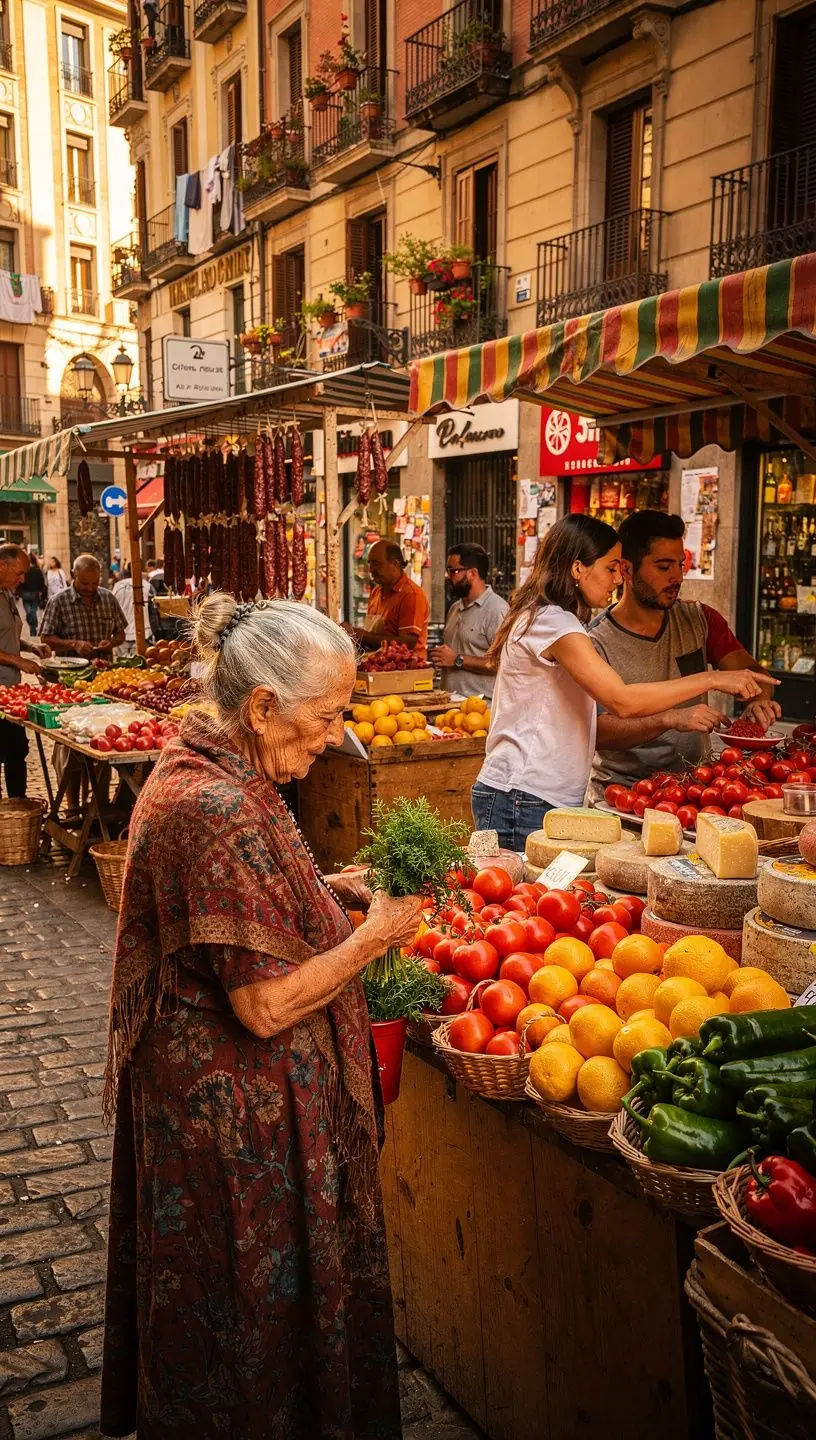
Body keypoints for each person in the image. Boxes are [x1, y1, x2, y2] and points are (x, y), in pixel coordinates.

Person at [100, 595, 422, 1440]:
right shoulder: (216, 807)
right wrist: (374, 935)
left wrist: (327, 892)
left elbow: (254, 899)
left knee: (235, 1303)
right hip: (229, 1128)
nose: (333, 738)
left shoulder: (217, 767)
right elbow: (267, 1004)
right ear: (262, 706)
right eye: (326, 718)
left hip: (212, 1110)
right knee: (243, 1305)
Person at [471, 515, 772, 852]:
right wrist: (711, 679)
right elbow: (622, 700)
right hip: (524, 795)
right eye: (610, 568)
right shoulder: (554, 623)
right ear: (577, 570)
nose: (617, 579)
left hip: (532, 795)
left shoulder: (550, 617)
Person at [588, 510, 782, 801]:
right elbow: (597, 733)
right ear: (626, 570)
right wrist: (669, 718)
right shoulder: (595, 641)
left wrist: (759, 698)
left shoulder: (700, 619)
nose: (677, 577)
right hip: (625, 796)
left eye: (680, 564)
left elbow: (752, 673)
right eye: (664, 567)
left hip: (698, 791)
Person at [0, 544, 51, 796]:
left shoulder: (7, 593)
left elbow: (5, 635)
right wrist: (19, 661)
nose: (22, 579)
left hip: (11, 693)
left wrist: (30, 646)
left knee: (16, 753)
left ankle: (17, 809)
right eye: (19, 573)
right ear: (2, 565)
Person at [430, 543, 508, 698]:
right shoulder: (454, 609)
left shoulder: (497, 610)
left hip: (480, 709)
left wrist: (458, 660)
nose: (448, 576)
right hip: (450, 704)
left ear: (472, 573)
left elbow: (502, 662)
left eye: (453, 571)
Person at [348, 539, 429, 658]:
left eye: (376, 564)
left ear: (395, 564)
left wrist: (364, 636)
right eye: (370, 563)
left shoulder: (411, 595)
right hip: (380, 667)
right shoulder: (376, 592)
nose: (371, 570)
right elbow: (375, 635)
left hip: (407, 671)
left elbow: (409, 643)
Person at [40, 554, 127, 658]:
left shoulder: (109, 598)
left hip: (103, 670)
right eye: (84, 583)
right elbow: (45, 639)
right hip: (70, 670)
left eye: (95, 583)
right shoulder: (58, 601)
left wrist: (111, 643)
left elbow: (121, 634)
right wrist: (74, 644)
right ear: (73, 575)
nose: (90, 588)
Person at [112, 571, 156, 658]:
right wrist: (154, 633)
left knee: (120, 667)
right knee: (140, 666)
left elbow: (112, 610)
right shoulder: (147, 586)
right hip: (143, 634)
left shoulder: (117, 587)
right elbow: (153, 613)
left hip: (121, 635)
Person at [19, 551, 46, 638]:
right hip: (32, 593)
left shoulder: (27, 571)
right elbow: (42, 582)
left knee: (30, 612)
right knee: (32, 611)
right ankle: (34, 625)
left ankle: (32, 626)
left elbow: (20, 581)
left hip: (28, 593)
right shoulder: (36, 570)